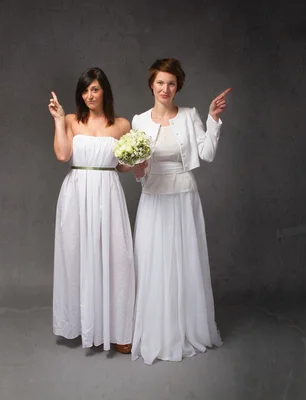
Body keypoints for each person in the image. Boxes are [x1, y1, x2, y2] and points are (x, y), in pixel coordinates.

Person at [129, 58, 231, 364]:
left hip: (184, 197)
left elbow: (207, 154)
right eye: (160, 82)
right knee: (153, 262)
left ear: (178, 87)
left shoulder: (190, 115)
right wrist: (138, 168)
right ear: (151, 84)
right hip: (153, 197)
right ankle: (157, 332)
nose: (165, 88)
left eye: (171, 83)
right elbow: (138, 172)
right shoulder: (139, 121)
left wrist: (213, 119)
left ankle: (188, 329)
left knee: (185, 262)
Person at [48, 67, 135, 354]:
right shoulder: (73, 120)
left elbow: (122, 165)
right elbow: (63, 155)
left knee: (115, 258)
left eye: (95, 89)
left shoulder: (122, 124)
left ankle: (119, 330)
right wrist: (60, 121)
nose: (89, 95)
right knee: (78, 256)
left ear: (105, 91)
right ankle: (82, 324)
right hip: (77, 194)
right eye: (85, 90)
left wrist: (140, 161)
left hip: (108, 193)